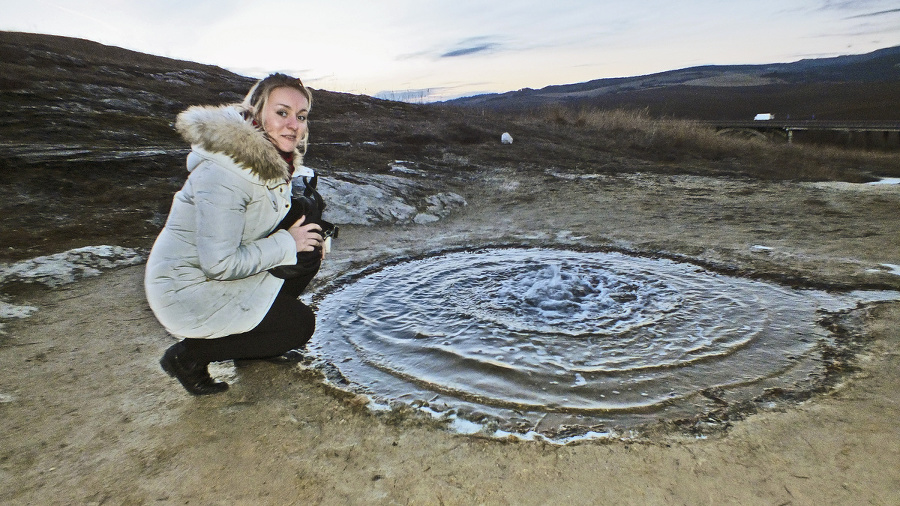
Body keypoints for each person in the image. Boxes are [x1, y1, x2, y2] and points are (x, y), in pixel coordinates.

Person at [145, 73, 326, 395]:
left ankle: (252, 342)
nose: (294, 125)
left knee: (308, 239)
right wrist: (288, 242)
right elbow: (220, 264)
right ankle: (188, 357)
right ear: (256, 113)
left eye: (301, 116)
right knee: (298, 325)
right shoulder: (225, 173)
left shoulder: (270, 163)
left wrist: (304, 240)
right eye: (282, 113)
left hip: (215, 273)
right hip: (187, 288)